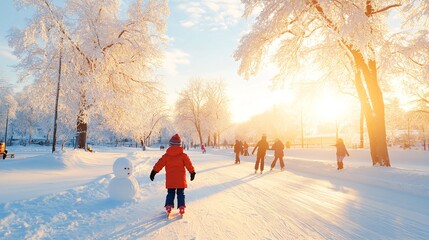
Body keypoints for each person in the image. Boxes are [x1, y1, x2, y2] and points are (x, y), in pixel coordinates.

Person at [150, 133, 196, 215]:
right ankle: (181, 207)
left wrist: (154, 172)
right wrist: (192, 172)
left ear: (170, 145)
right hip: (180, 179)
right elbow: (189, 165)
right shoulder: (183, 156)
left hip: (170, 179)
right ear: (179, 145)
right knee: (180, 193)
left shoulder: (166, 156)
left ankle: (168, 206)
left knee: (170, 193)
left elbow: (159, 164)